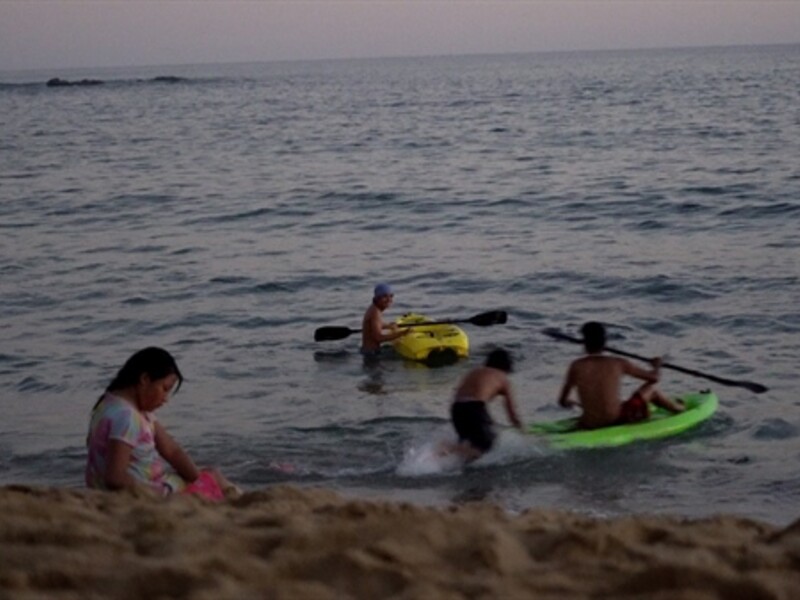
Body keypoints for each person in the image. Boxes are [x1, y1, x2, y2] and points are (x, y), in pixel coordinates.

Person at [85, 347, 240, 500]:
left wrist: (198, 478)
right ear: (145, 379)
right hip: (144, 495)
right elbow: (115, 477)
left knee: (207, 476)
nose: (165, 399)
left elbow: (171, 450)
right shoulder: (127, 417)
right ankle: (240, 502)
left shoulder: (110, 404)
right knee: (215, 476)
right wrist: (157, 493)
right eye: (165, 389)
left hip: (117, 491)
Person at [557, 321, 685, 429]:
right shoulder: (618, 363)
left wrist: (571, 402)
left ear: (584, 344)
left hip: (589, 423)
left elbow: (562, 401)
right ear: (605, 342)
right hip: (615, 420)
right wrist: (656, 366)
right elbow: (654, 379)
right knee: (651, 390)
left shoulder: (576, 366)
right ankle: (678, 409)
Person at [449, 348, 524, 461]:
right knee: (485, 446)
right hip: (474, 407)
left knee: (468, 443)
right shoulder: (502, 378)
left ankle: (444, 457)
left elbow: (461, 392)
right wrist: (521, 430)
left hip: (457, 408)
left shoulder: (475, 371)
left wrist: (488, 422)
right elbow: (512, 413)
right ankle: (443, 449)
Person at [360, 283, 410, 356]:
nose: (389, 300)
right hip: (371, 354)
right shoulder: (375, 312)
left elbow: (375, 324)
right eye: (384, 296)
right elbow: (378, 338)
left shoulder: (374, 309)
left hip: (368, 351)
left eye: (391, 296)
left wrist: (388, 326)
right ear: (377, 298)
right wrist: (402, 333)